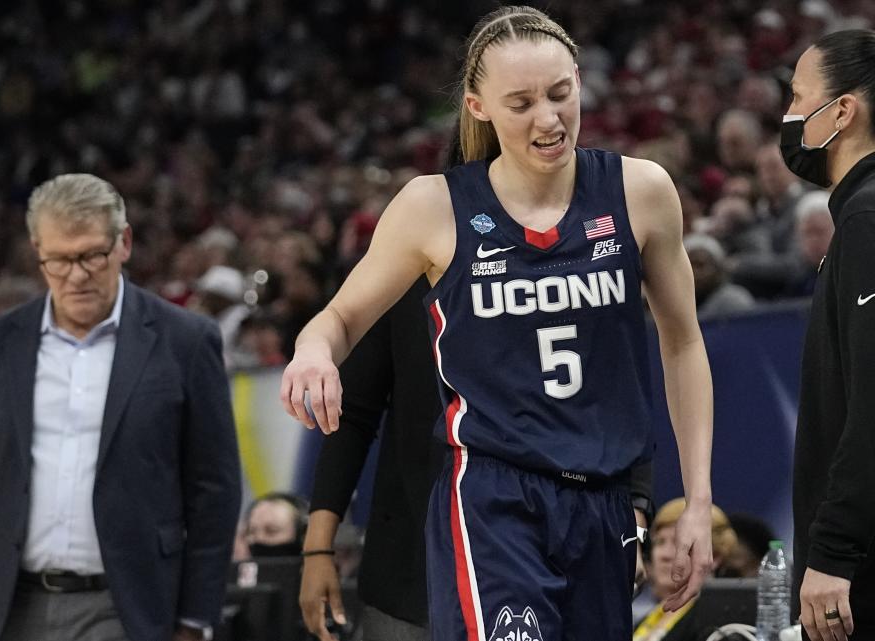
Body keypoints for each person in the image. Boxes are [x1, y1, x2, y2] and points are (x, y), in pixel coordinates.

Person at [280, 7, 714, 639]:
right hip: (492, 495)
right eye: (521, 103)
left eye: (562, 94)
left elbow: (683, 345)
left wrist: (698, 501)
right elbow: (339, 319)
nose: (549, 118)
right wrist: (314, 352)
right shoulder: (434, 206)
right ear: (478, 106)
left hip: (605, 501)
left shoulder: (641, 191)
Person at [0, 173, 242, 641]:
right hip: (6, 607)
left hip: (129, 607)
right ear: (37, 252)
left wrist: (195, 619)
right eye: (60, 260)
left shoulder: (187, 342)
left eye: (92, 255)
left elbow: (216, 489)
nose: (77, 274)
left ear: (123, 242)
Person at [787, 29, 875, 641]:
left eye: (797, 98)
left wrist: (834, 552)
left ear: (842, 110)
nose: (789, 117)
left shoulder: (869, 219)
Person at [632, 499, 738, 641]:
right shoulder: (642, 621)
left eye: (679, 543)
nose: (665, 554)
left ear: (715, 556)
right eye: (660, 542)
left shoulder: (721, 625)